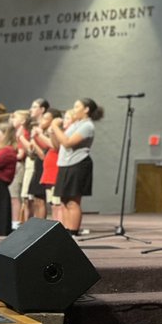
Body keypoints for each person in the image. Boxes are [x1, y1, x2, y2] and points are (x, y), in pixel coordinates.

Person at [52, 98, 103, 236]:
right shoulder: (75, 124)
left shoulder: (87, 126)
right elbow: (58, 145)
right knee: (64, 200)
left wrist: (55, 126)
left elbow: (68, 143)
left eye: (77, 106)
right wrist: (53, 131)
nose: (73, 109)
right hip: (65, 164)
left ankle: (73, 232)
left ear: (86, 109)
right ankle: (67, 230)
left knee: (73, 201)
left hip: (78, 164)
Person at [21, 99, 50, 221]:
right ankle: (37, 224)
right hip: (36, 162)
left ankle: (42, 226)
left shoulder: (46, 129)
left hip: (45, 163)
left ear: (42, 110)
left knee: (41, 197)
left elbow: (47, 148)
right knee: (36, 197)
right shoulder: (34, 127)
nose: (30, 109)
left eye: (34, 107)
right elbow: (31, 150)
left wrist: (26, 139)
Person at [39, 110, 65, 224]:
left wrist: (48, 132)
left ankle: (60, 226)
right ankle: (55, 225)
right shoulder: (51, 132)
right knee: (53, 203)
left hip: (56, 171)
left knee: (58, 203)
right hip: (49, 172)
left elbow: (56, 146)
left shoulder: (59, 132)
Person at [8, 110, 32, 230]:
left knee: (15, 195)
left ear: (23, 120)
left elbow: (21, 154)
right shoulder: (19, 132)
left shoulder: (23, 132)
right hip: (19, 164)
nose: (12, 120)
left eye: (15, 117)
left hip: (20, 165)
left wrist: (8, 155)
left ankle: (16, 222)